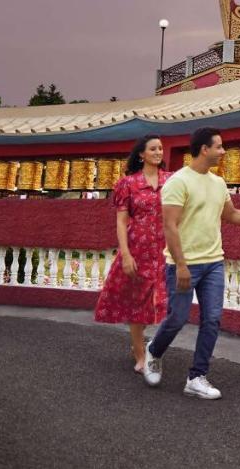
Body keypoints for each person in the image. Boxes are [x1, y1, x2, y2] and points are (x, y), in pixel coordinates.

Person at [143, 127, 240, 399]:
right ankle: (154, 350)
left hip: (213, 263)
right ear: (204, 149)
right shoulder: (178, 182)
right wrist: (181, 265)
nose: (223, 151)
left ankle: (197, 377)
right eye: (218, 146)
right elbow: (170, 227)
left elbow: (231, 215)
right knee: (177, 319)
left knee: (212, 320)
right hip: (183, 264)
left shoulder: (218, 183)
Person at [93, 135, 168, 372]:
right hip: (138, 250)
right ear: (141, 154)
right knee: (138, 303)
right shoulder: (128, 183)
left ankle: (144, 342)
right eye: (153, 149)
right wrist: (125, 254)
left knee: (163, 303)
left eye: (160, 148)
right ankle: (139, 352)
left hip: (165, 251)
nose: (158, 152)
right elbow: (122, 221)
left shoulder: (172, 180)